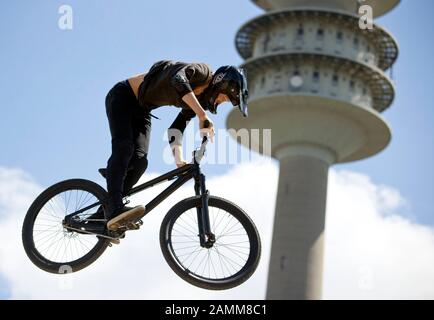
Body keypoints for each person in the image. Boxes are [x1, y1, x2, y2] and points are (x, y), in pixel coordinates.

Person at [101, 60, 248, 231]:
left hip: (142, 110)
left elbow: (175, 129)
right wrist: (202, 115)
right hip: (123, 96)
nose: (220, 103)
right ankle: (114, 207)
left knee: (140, 163)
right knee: (124, 148)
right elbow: (178, 80)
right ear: (221, 84)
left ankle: (104, 217)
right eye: (225, 98)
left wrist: (179, 160)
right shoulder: (202, 72)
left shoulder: (196, 103)